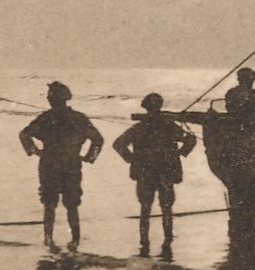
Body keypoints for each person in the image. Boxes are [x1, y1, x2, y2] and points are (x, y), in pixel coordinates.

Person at [18, 81, 103, 251]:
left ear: (51, 100)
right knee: (72, 204)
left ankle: (48, 238)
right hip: (71, 164)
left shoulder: (45, 118)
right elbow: (98, 139)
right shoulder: (79, 118)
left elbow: (24, 134)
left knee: (49, 204)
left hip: (49, 164)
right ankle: (74, 239)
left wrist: (35, 151)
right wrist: (89, 157)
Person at [112, 93, 197, 260]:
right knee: (166, 208)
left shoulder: (139, 128)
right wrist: (179, 154)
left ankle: (145, 241)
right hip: (165, 172)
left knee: (145, 208)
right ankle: (167, 240)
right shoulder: (169, 126)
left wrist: (132, 159)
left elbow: (118, 144)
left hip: (145, 173)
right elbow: (191, 139)